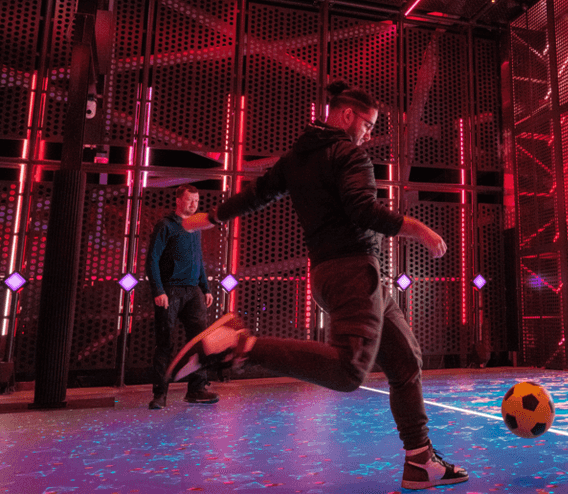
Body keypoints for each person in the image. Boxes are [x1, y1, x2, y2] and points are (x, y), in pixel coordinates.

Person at [166, 80, 468, 490]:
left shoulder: (296, 158)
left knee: (405, 360)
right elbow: (363, 210)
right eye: (367, 124)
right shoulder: (348, 154)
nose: (368, 133)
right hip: (353, 273)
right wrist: (418, 229)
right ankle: (240, 345)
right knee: (348, 372)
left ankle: (420, 461)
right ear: (347, 116)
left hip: (341, 275)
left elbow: (257, 195)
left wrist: (214, 217)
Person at [146, 184, 218, 409]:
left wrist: (205, 288)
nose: (194, 205)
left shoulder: (194, 228)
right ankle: (160, 395)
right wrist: (158, 290)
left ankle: (196, 389)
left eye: (196, 201)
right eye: (190, 201)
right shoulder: (165, 225)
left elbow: (198, 260)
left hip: (193, 292)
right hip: (170, 291)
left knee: (199, 342)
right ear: (178, 201)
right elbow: (152, 260)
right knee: (165, 343)